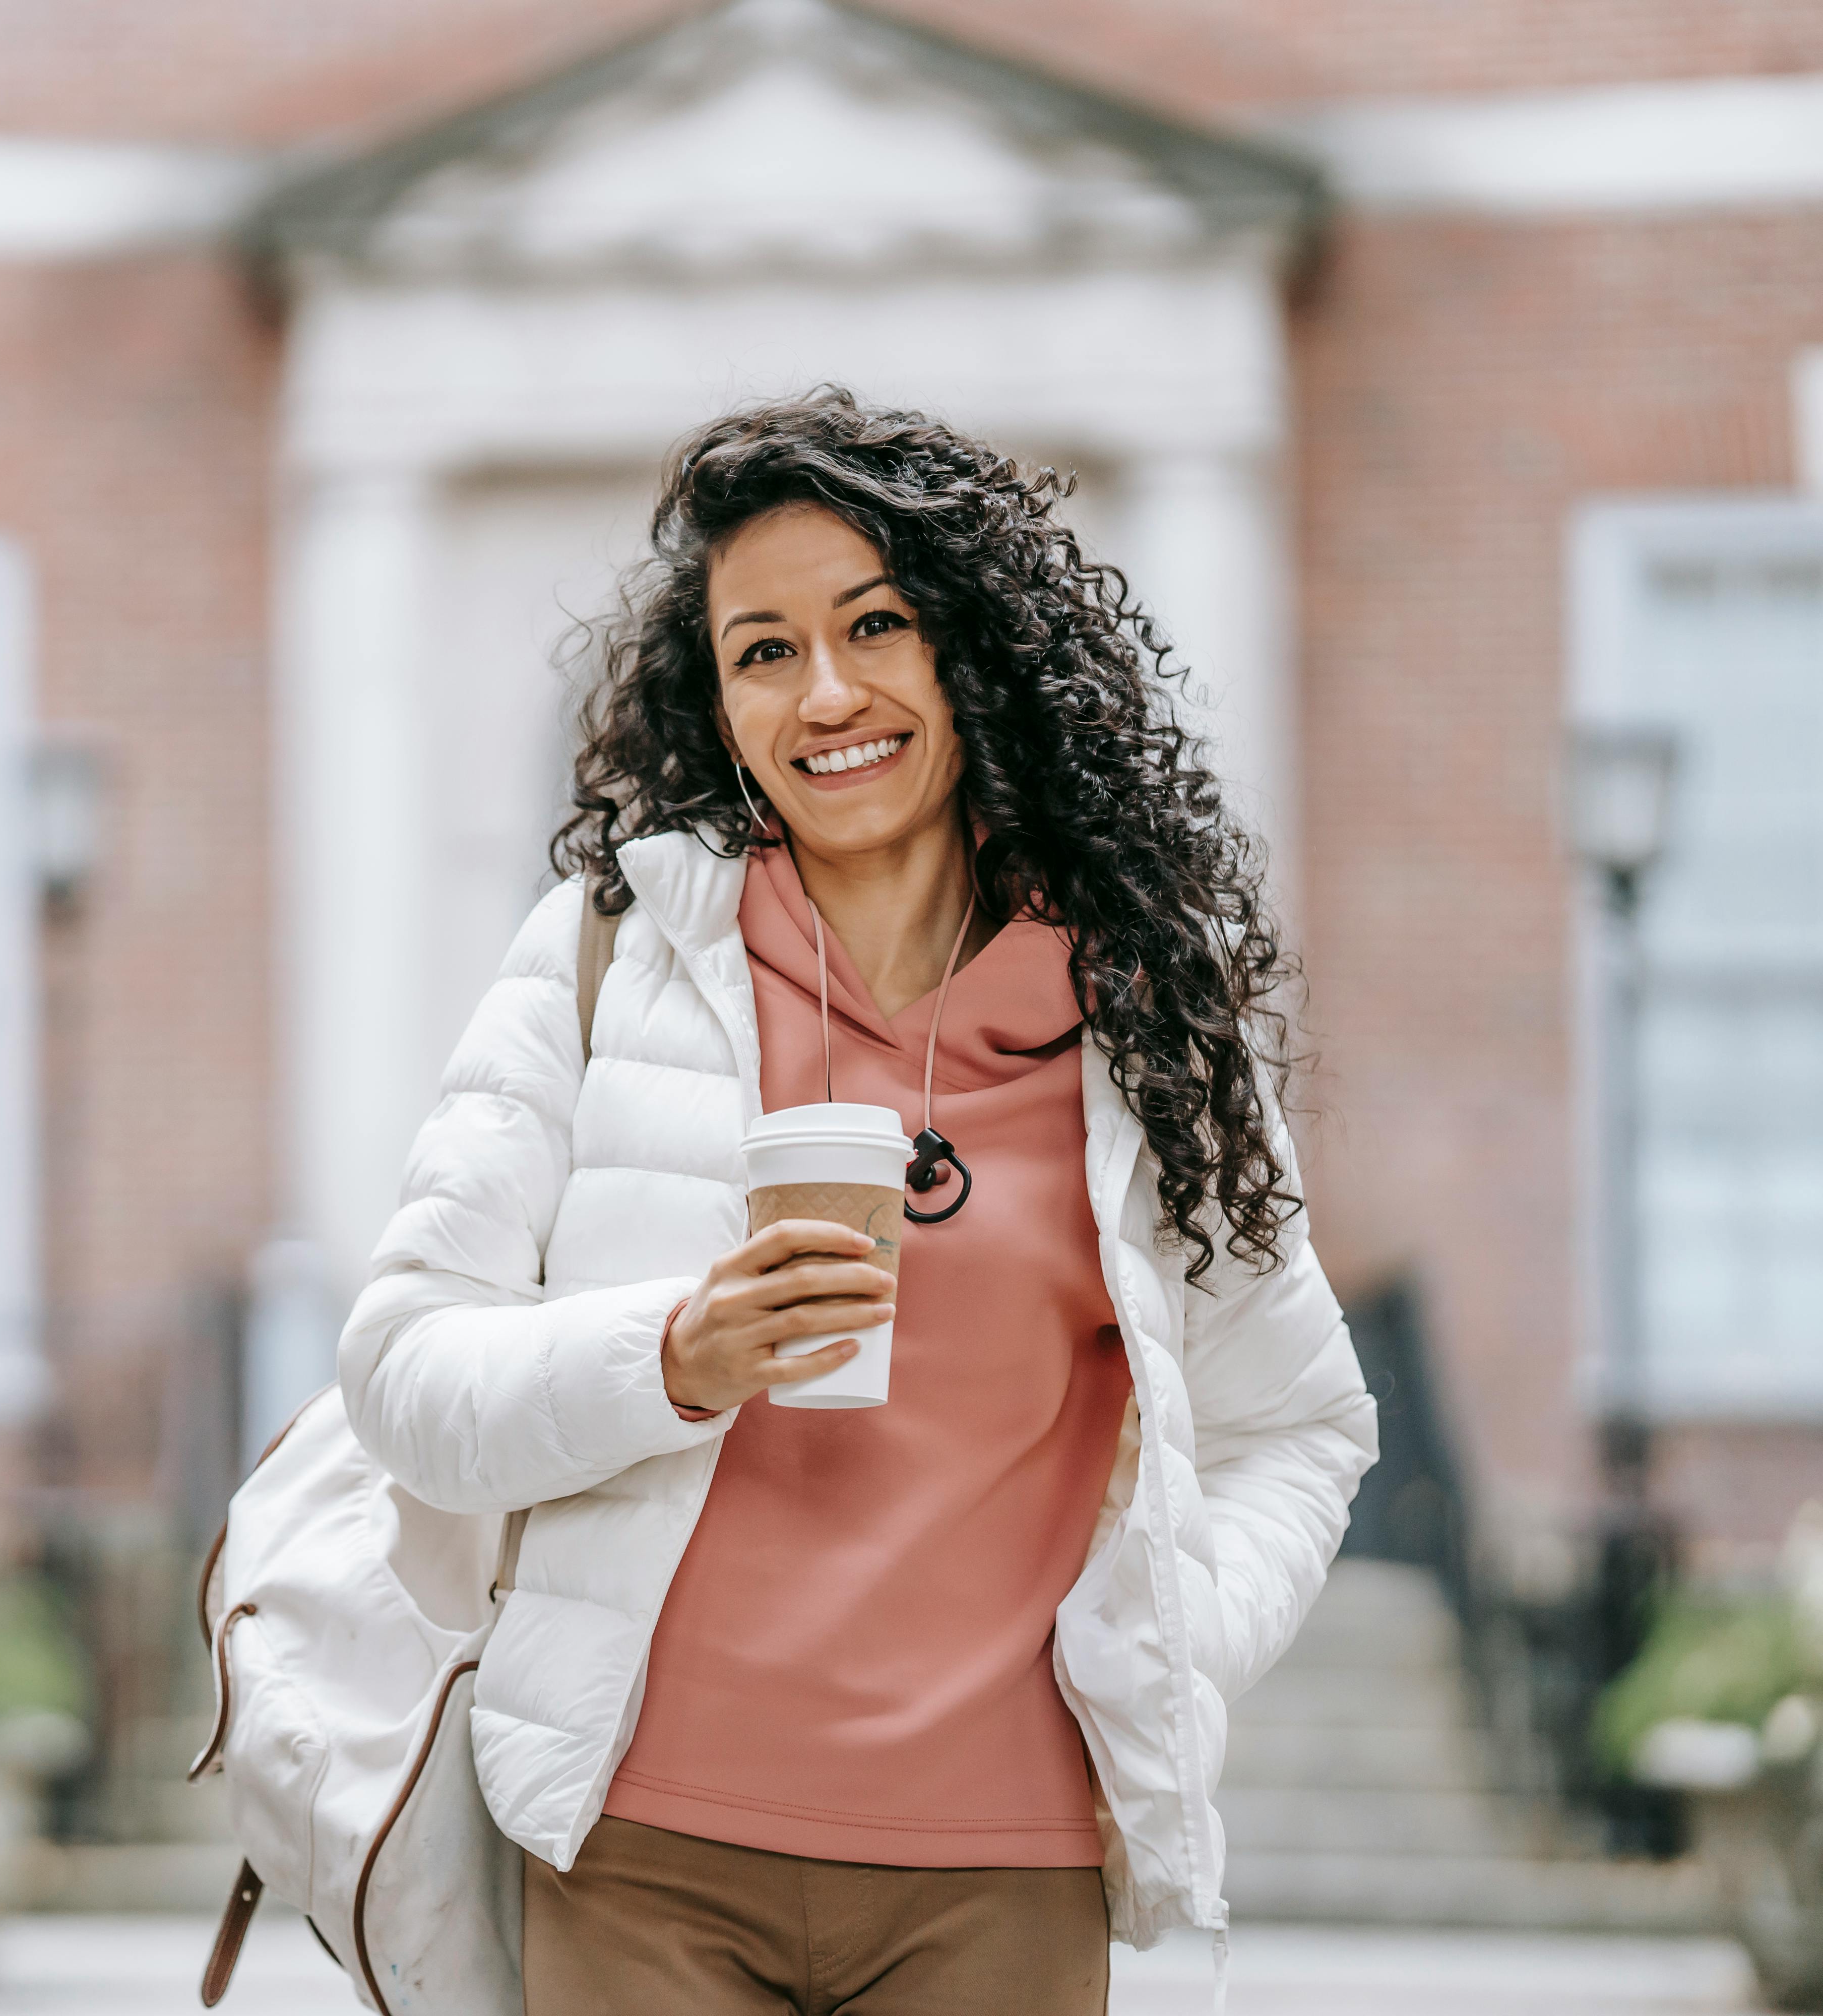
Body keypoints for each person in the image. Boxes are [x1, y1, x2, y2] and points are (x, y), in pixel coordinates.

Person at [337, 389, 1377, 2013]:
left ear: (975, 652)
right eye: (763, 650)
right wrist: (673, 1356)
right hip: (637, 1854)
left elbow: (1301, 1423)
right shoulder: (610, 956)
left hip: (1003, 1874)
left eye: (875, 625)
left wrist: (1164, 1646)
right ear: (719, 700)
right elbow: (403, 1372)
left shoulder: (1145, 1023)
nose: (827, 693)